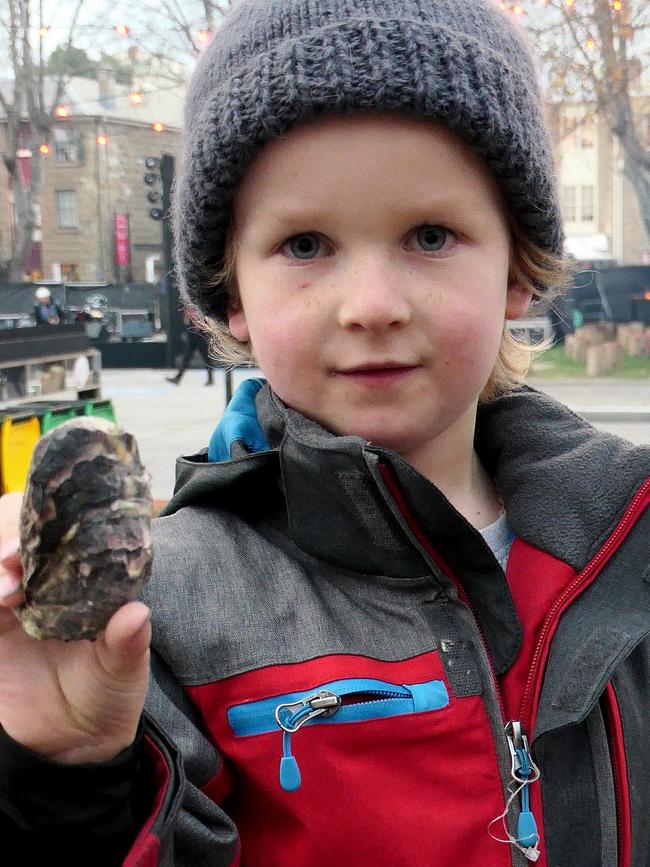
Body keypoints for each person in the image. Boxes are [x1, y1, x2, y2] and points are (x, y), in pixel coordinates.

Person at [0, 2, 648, 865]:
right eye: (305, 244)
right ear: (230, 295)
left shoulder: (629, 538)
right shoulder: (162, 615)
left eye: (430, 234)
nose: (371, 304)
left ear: (517, 268)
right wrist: (63, 773)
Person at [166, 305, 214, 386]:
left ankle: (210, 378)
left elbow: (205, 320)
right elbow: (187, 322)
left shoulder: (199, 308)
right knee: (187, 357)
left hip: (201, 335)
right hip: (193, 335)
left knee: (205, 357)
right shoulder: (189, 309)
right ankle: (178, 378)